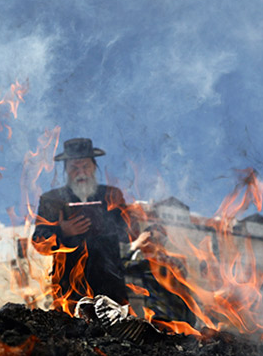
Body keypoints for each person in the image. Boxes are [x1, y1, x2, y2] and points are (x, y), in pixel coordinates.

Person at [32, 137, 136, 310]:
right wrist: (62, 232)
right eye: (74, 167)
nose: (81, 172)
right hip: (69, 290)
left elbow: (128, 234)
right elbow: (39, 242)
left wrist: (110, 224)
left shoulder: (111, 195)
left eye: (85, 166)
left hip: (110, 286)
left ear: (94, 167)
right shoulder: (52, 200)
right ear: (66, 170)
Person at [124, 224, 196, 325]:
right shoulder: (136, 266)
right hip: (145, 323)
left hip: (173, 325)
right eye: (151, 240)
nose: (155, 245)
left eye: (160, 241)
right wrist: (134, 245)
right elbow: (116, 269)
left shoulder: (172, 265)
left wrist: (190, 327)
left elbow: (185, 296)